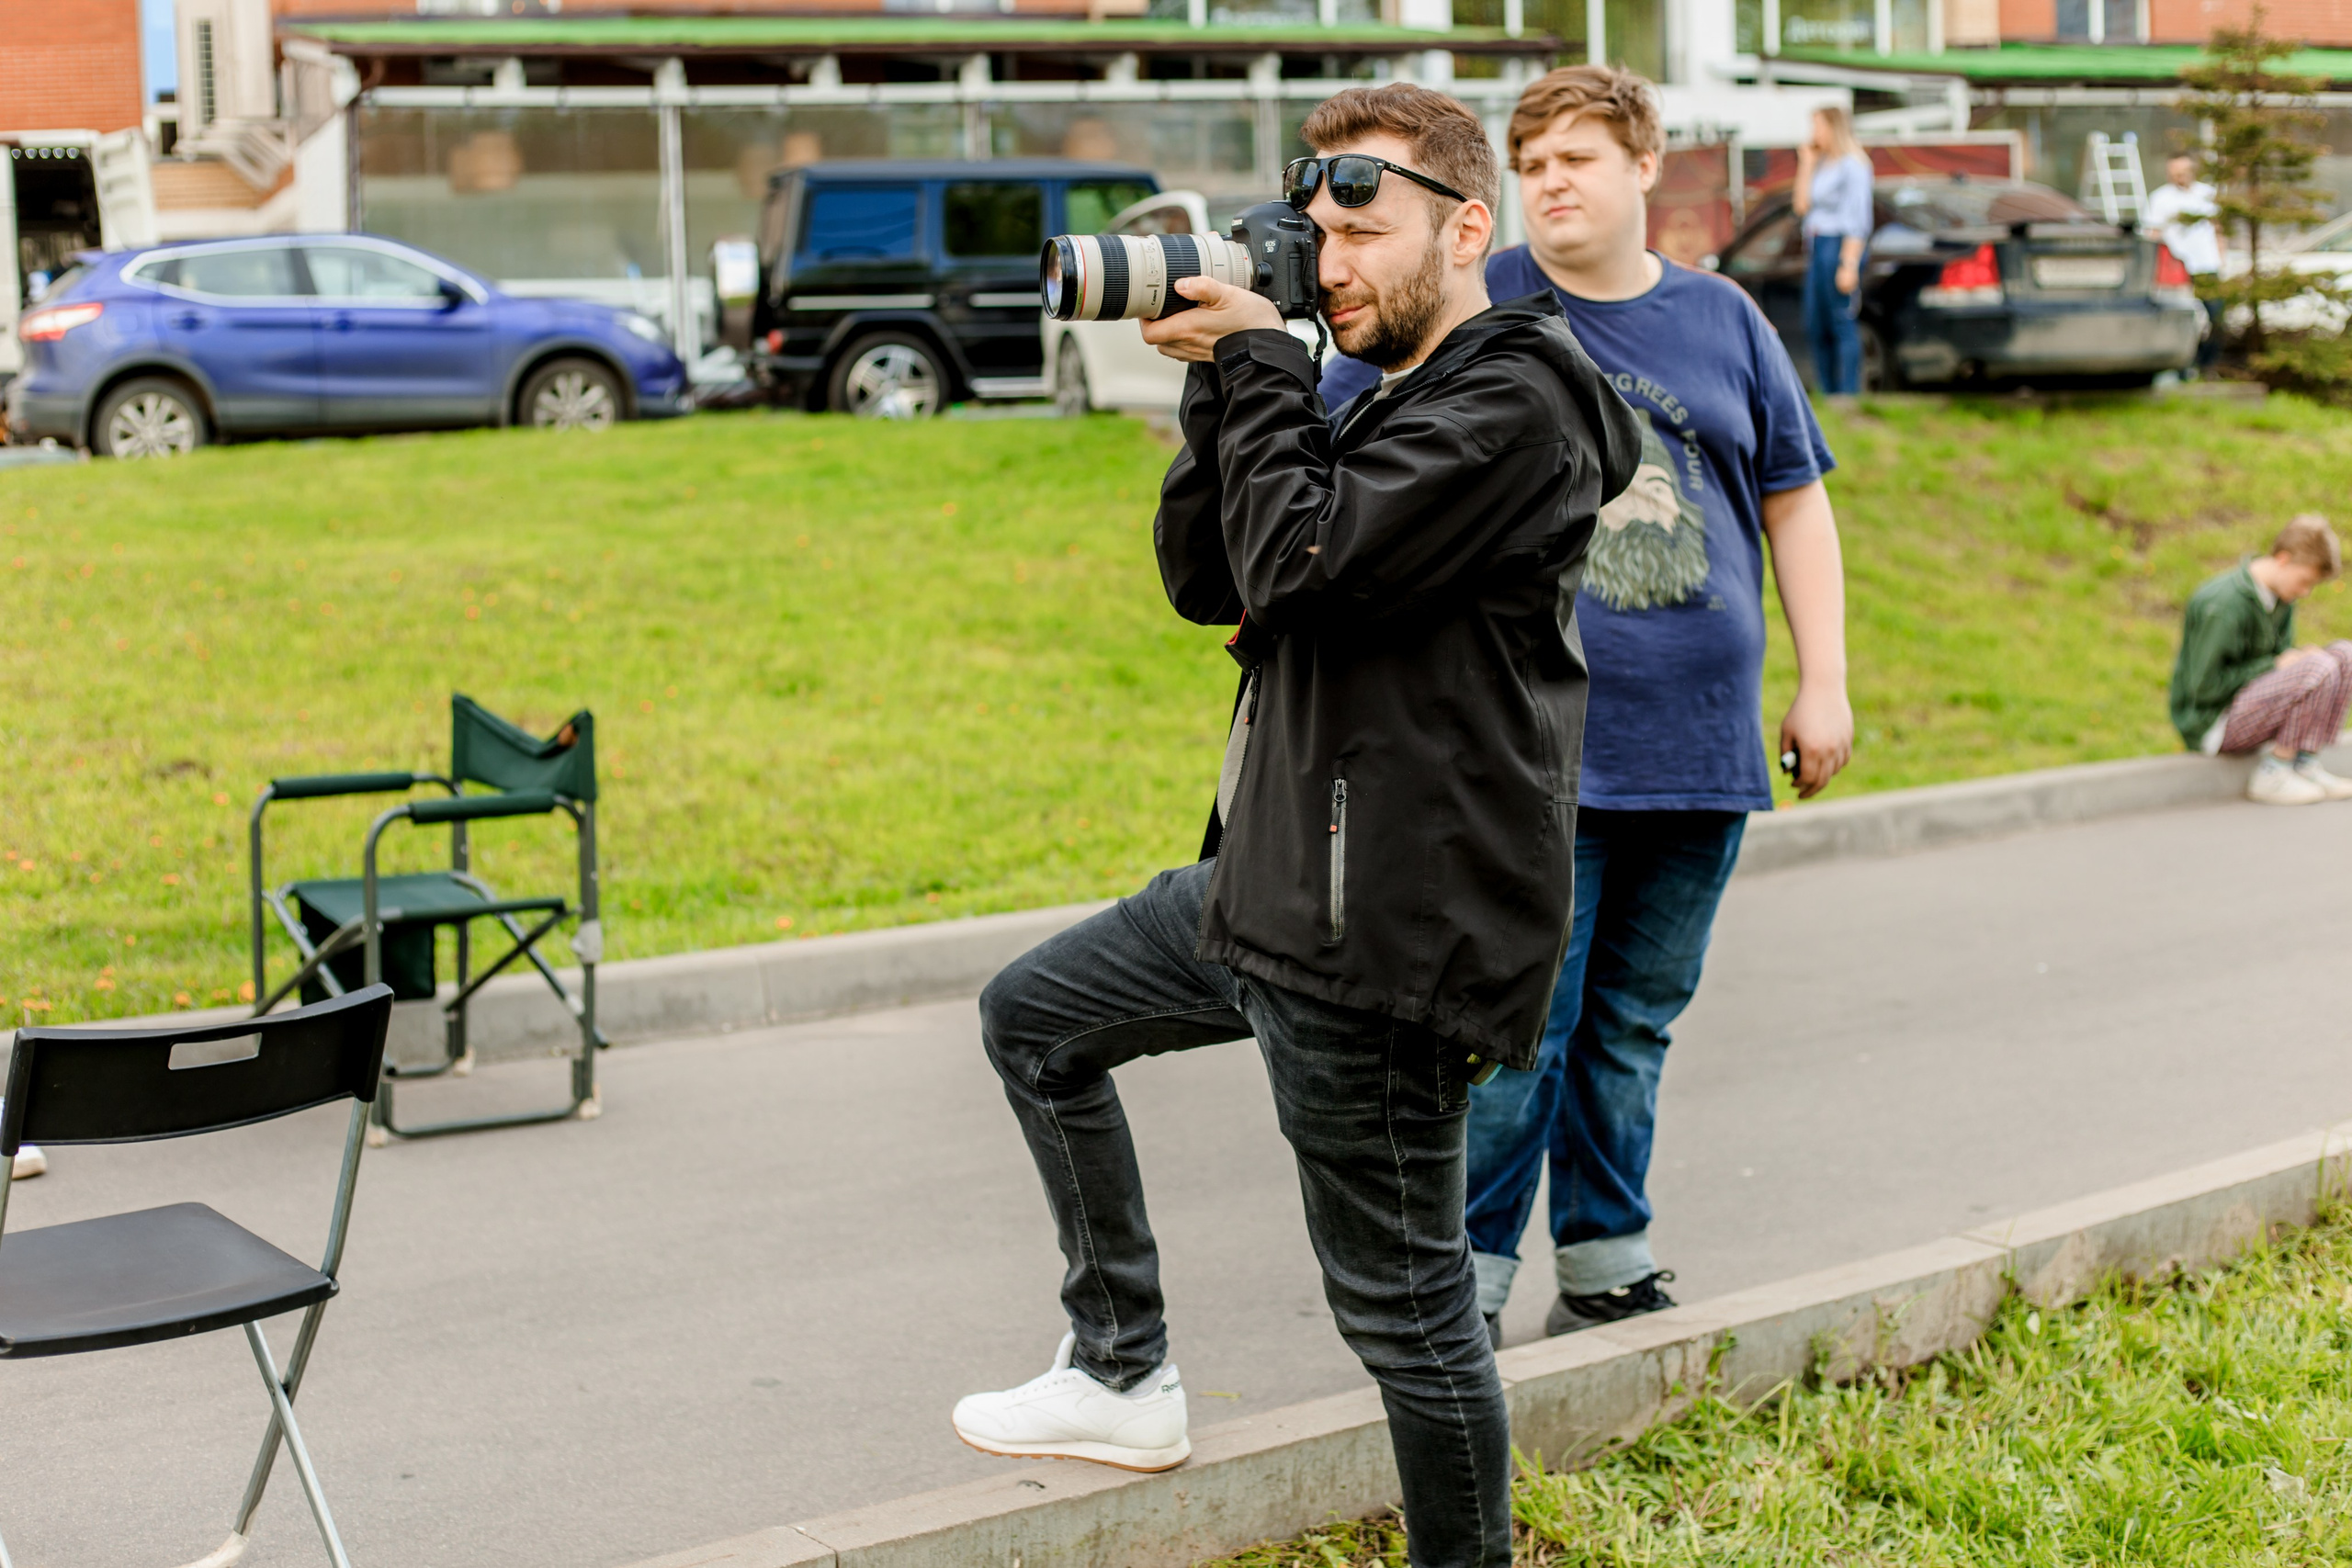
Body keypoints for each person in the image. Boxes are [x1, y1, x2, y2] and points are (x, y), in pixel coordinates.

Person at [952, 83, 1640, 1568]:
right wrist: (1223, 384)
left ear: (1469, 226)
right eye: (1309, 227)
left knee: (1407, 1314)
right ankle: (1122, 1365)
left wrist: (1265, 363)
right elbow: (1217, 576)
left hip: (1380, 937)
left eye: (1358, 219)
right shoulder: (1373, 398)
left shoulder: (1517, 402)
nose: (1325, 256)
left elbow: (1309, 560)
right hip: (1261, 893)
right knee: (1034, 1020)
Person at [1324, 64, 1854, 1346]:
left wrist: (1824, 676)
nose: (1553, 180)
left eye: (1578, 157)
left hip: (1704, 744)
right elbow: (1342, 426)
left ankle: (1609, 1251)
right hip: (1531, 748)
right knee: (1515, 1031)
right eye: (1533, 160)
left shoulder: (1725, 319)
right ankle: (1471, 1277)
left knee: (1632, 1024)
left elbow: (1793, 496)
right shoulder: (1482, 297)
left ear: (1641, 170)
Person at [2169, 513, 2352, 806]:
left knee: (2344, 655)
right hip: (2214, 721)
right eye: (2304, 581)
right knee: (2318, 667)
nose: (2305, 592)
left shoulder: (2281, 597)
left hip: (2252, 705)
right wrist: (2276, 666)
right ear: (2283, 558)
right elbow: (2203, 688)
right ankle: (2274, 773)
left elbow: (2284, 667)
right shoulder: (2223, 605)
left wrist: (2293, 661)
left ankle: (2305, 763)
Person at [1792, 104, 1873, 398]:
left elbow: (1858, 220)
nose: (1813, 133)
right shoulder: (1822, 163)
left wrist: (1848, 264)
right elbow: (1801, 206)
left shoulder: (1853, 164)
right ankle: (1827, 393)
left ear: (1833, 128)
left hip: (1839, 246)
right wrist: (1806, 163)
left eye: (1817, 126)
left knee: (1841, 320)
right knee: (1816, 323)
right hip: (1817, 244)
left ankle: (1847, 395)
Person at [2143, 152, 2226, 375]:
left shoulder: (2207, 194)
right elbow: (2152, 234)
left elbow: (2218, 230)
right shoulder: (2160, 198)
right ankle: (2182, 369)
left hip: (2207, 266)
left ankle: (2207, 367)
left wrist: (2222, 259)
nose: (2179, 176)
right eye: (2174, 173)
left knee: (2215, 317)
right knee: (2182, 318)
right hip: (2177, 270)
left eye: (2183, 172)